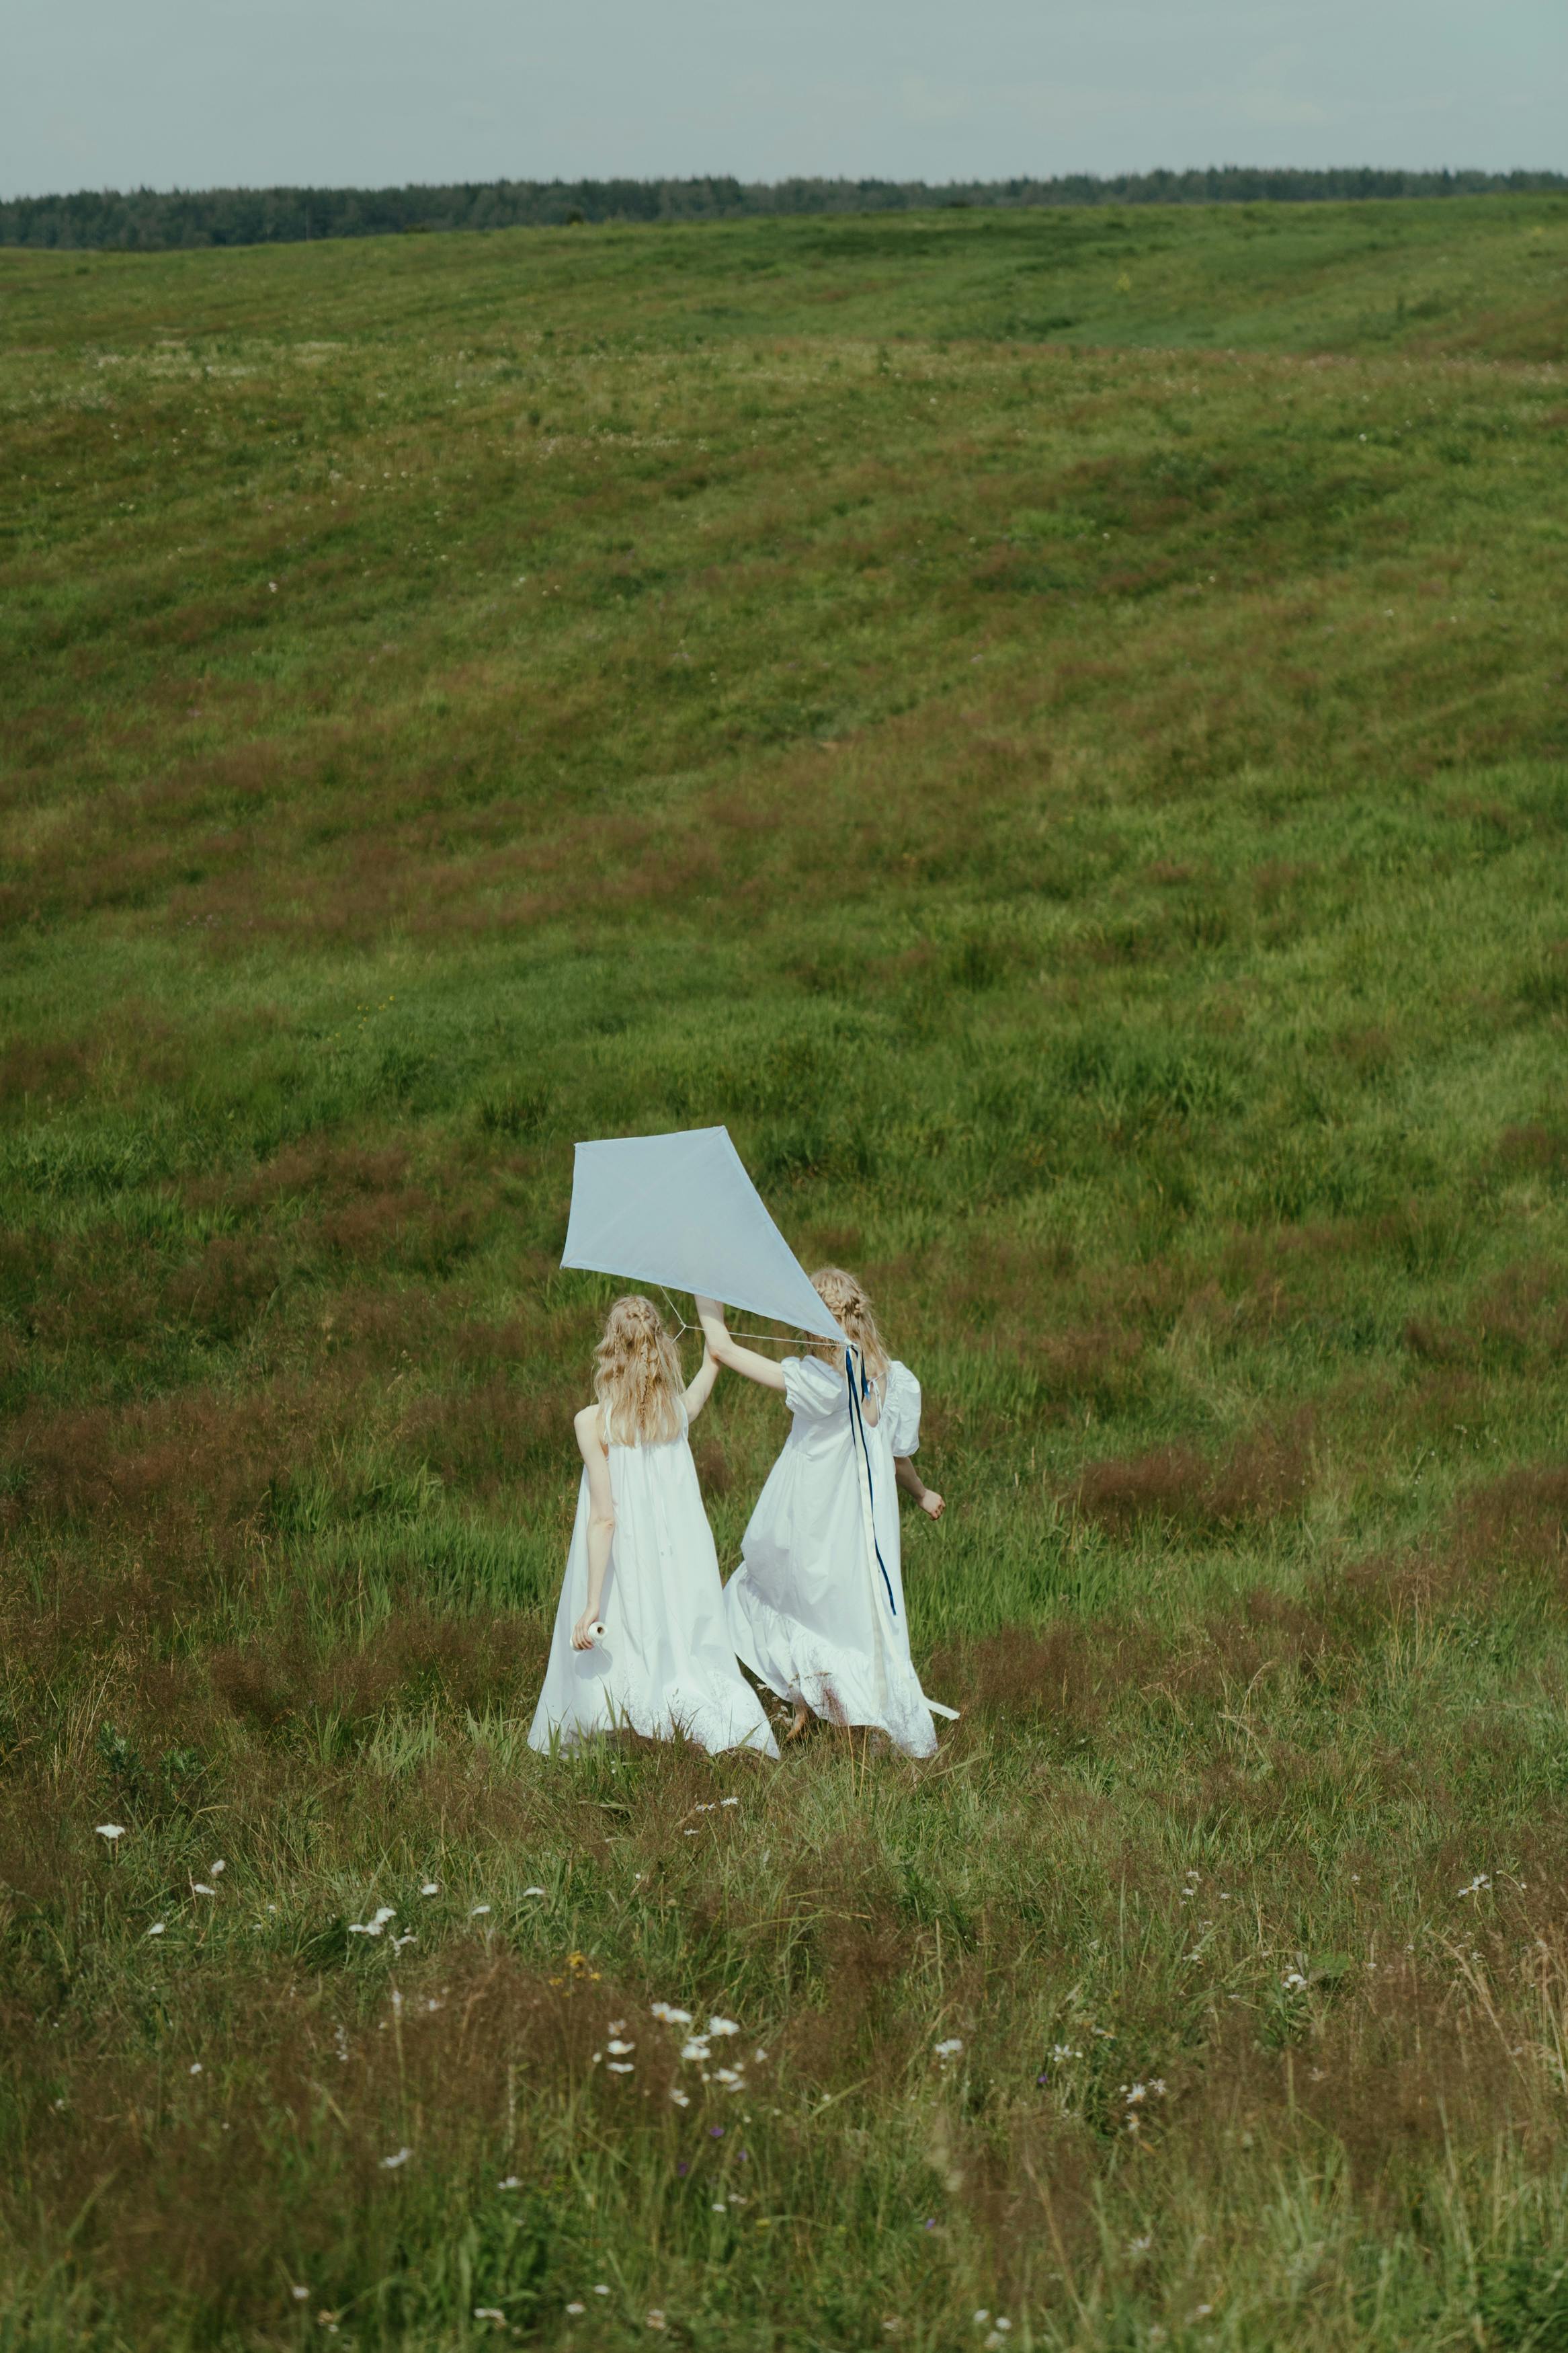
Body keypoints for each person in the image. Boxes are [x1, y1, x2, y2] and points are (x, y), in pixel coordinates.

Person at [696, 1271, 948, 1757]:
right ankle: (842, 1706)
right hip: (864, 1522)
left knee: (791, 1595)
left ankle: (822, 1702)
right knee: (855, 1609)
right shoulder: (888, 1375)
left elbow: (724, 1349)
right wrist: (920, 1492)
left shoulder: (818, 1379)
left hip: (814, 1510)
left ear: (812, 1322)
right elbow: (895, 1453)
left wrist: (706, 1290)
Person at [528, 1295, 778, 1757]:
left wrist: (589, 1605)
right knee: (680, 1639)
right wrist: (712, 1320)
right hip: (679, 1557)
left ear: (612, 1352)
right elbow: (707, 1376)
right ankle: (682, 1725)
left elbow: (604, 1520)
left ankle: (631, 1726)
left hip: (626, 1559)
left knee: (625, 1628)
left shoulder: (593, 1424)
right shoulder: (675, 1417)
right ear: (660, 1347)